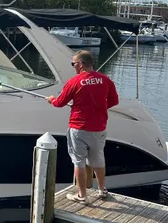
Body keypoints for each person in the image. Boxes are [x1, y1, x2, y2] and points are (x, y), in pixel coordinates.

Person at [45, 50, 119, 203]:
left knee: (79, 161)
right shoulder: (105, 80)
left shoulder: (75, 82)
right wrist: (98, 108)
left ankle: (82, 195)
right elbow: (114, 101)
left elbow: (60, 103)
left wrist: (51, 99)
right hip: (99, 128)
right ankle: (102, 189)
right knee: (98, 159)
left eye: (73, 64)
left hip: (79, 127)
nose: (73, 67)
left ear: (80, 64)